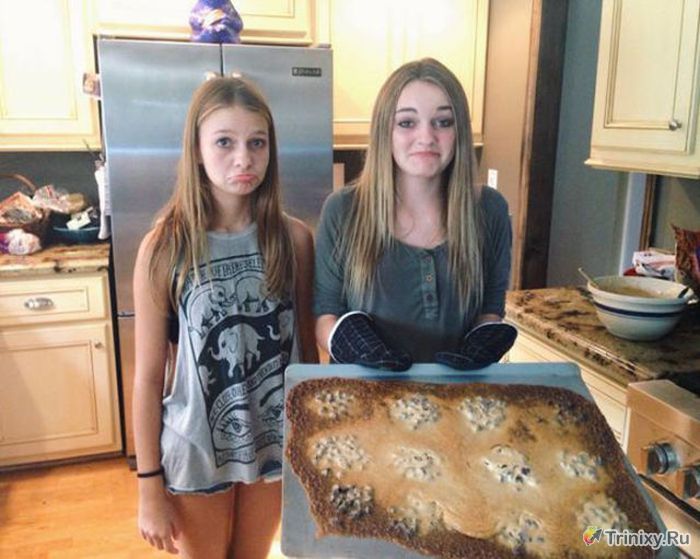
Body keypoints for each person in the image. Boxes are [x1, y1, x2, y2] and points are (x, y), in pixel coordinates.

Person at [132, 76, 317, 558]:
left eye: (257, 143)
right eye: (224, 142)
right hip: (195, 451)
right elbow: (148, 378)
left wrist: (312, 445)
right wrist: (149, 485)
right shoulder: (165, 247)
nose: (243, 159)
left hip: (274, 444)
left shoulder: (294, 240)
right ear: (196, 149)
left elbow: (306, 357)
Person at [314, 58, 516, 370]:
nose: (426, 137)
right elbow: (325, 314)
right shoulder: (342, 211)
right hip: (364, 395)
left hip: (458, 394)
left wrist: (481, 343)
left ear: (460, 131)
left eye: (443, 122)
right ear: (385, 131)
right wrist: (354, 346)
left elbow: (490, 308)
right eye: (407, 123)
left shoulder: (490, 211)